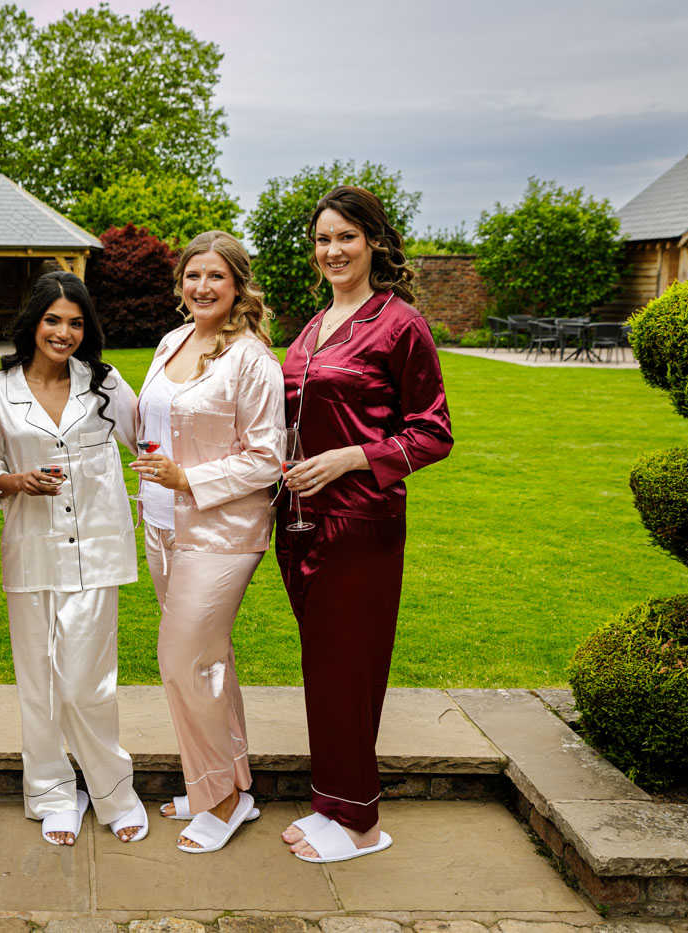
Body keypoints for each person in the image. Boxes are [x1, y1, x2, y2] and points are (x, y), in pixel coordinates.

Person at [276, 185, 452, 864]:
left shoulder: (399, 323)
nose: (333, 250)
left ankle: (362, 825)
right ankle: (333, 802)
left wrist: (354, 456)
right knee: (323, 668)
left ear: (374, 240)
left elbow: (433, 432)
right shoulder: (315, 323)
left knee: (350, 669)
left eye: (346, 236)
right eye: (323, 238)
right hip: (298, 523)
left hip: (360, 522)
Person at [131, 230, 284, 854]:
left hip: (222, 531)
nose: (202, 287)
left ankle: (218, 799)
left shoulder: (253, 360)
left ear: (238, 284)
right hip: (163, 525)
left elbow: (269, 456)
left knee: (182, 660)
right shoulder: (173, 341)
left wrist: (189, 477)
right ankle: (229, 784)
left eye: (216, 277)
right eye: (193, 275)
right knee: (210, 661)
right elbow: (149, 422)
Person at [0, 271, 147, 846]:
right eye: (53, 320)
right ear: (32, 323)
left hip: (97, 551)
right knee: (38, 682)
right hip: (30, 551)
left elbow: (149, 443)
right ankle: (52, 792)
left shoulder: (104, 382)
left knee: (86, 683)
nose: (65, 332)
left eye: (76, 322)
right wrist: (14, 479)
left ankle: (113, 791)